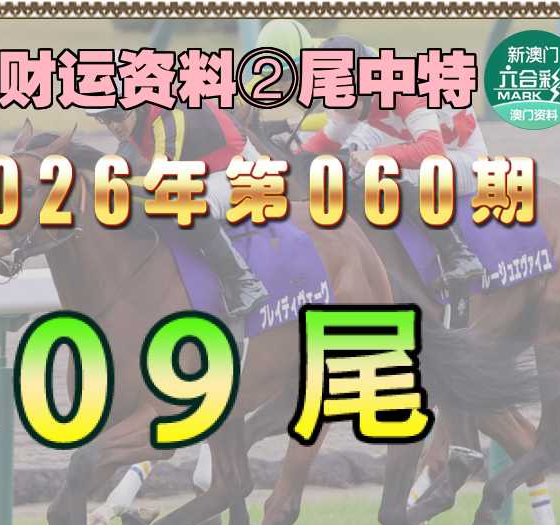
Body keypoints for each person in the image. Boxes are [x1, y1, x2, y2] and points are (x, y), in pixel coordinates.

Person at [252, 23, 485, 287]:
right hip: (429, 147)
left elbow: (433, 151)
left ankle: (461, 255)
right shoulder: (355, 98)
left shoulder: (404, 89)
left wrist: (375, 155)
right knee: (352, 171)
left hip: (465, 159)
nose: (333, 109)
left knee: (383, 175)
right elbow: (321, 144)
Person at [86, 103, 268, 318]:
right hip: (207, 170)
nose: (114, 126)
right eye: (105, 119)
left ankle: (244, 282)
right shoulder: (136, 121)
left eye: (118, 116)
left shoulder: (169, 118)